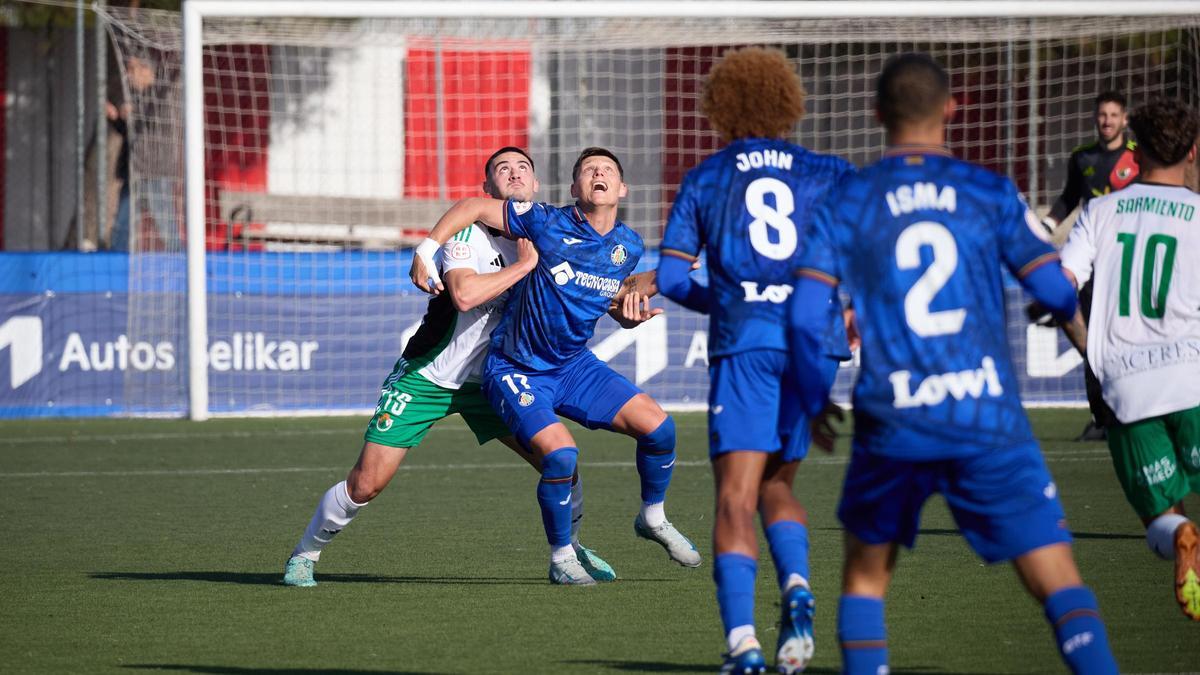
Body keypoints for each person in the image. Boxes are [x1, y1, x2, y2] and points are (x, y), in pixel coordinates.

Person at [789, 53, 1118, 674]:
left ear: (877, 113)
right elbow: (1052, 291)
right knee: (1059, 583)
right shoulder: (987, 191)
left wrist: (811, 398)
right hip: (985, 415)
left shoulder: (849, 199)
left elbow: (807, 314)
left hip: (894, 419)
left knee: (864, 583)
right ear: (951, 110)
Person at [282, 148, 616, 586]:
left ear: (535, 186)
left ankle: (568, 551)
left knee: (561, 463)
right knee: (366, 484)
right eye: (502, 169)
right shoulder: (467, 237)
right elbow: (463, 296)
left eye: (523, 168)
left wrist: (629, 303)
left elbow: (589, 290)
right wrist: (524, 267)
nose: (514, 173)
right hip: (430, 376)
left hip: (498, 378)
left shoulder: (548, 236)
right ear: (487, 190)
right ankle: (305, 553)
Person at [409, 147, 702, 585]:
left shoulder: (629, 246)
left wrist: (635, 305)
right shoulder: (546, 220)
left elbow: (612, 295)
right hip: (516, 368)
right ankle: (562, 557)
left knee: (661, 428)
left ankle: (653, 517)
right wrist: (427, 249)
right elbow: (471, 206)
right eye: (588, 170)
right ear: (574, 189)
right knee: (561, 455)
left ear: (621, 188)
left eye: (607, 170)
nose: (598, 174)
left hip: (574, 366)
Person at [655, 47, 852, 674]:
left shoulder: (708, 178)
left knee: (735, 498)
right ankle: (797, 587)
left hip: (747, 344)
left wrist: (734, 300)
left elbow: (668, 277)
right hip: (812, 343)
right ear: (787, 102)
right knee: (779, 484)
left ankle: (743, 644)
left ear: (720, 107)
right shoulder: (829, 172)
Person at [1058, 98, 1200, 622]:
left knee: (1162, 518)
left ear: (1133, 149)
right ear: (1192, 150)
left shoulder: (1100, 211)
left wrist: (1084, 341)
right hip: (1194, 380)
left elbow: (1060, 288)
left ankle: (1184, 537)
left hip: (1128, 388)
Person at [1042, 91, 1140, 442]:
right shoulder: (1082, 157)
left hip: (1125, 263)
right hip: (1088, 264)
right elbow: (1069, 198)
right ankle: (1102, 419)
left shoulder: (1138, 158)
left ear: (1125, 119)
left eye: (1114, 115)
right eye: (1102, 114)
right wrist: (1046, 227)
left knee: (1129, 339)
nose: (1107, 121)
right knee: (1093, 345)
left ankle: (1135, 413)